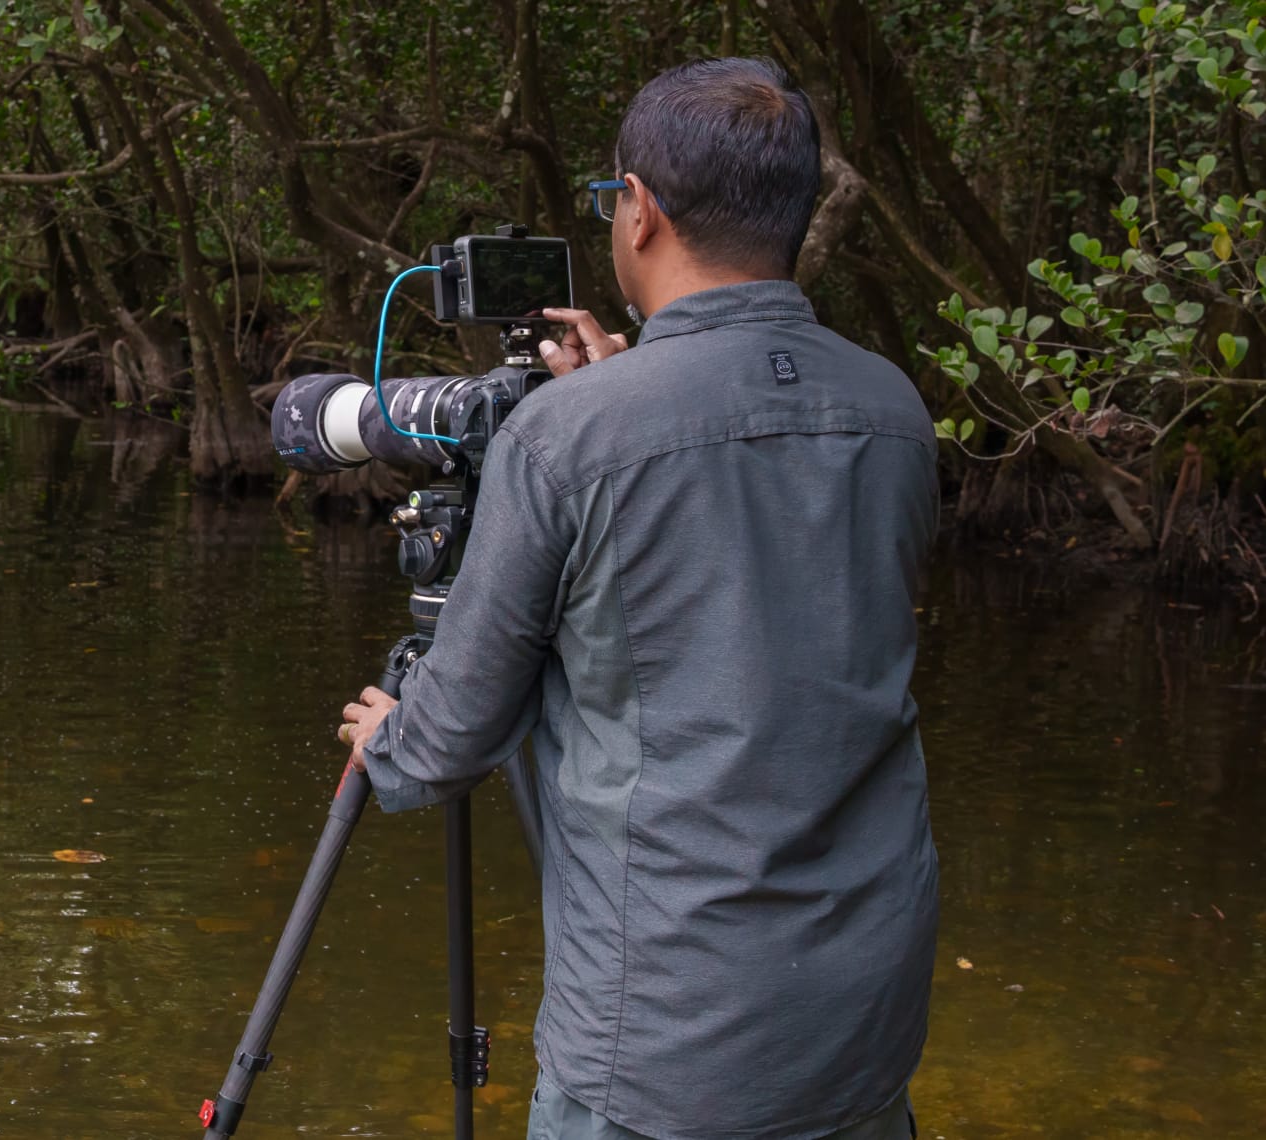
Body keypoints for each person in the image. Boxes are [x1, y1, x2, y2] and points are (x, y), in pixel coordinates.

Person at [333, 58, 937, 1140]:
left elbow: (452, 737)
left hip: (667, 1040)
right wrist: (614, 395)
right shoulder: (890, 409)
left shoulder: (568, 437)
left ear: (641, 210)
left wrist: (393, 742)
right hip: (864, 1013)